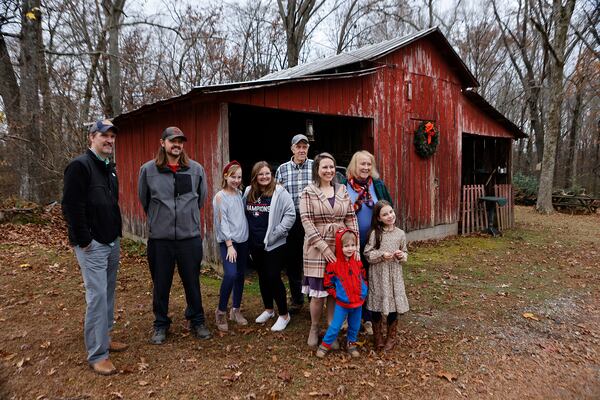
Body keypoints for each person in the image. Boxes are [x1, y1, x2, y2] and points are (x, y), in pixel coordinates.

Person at [62, 119, 126, 375]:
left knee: (107, 292)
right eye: (104, 135)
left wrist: (116, 234)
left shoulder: (108, 168)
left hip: (111, 241)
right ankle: (98, 353)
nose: (109, 140)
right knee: (97, 295)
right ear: (91, 137)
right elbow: (71, 206)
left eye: (112, 136)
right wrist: (85, 240)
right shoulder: (80, 166)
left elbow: (109, 203)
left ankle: (105, 337)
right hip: (93, 245)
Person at [138, 126, 211, 344]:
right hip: (161, 240)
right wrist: (160, 220)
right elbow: (145, 200)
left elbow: (201, 199)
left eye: (180, 141)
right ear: (163, 143)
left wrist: (187, 219)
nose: (177, 145)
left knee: (192, 283)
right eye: (172, 141)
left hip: (189, 238)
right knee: (161, 284)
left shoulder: (195, 169)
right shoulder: (148, 170)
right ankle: (161, 324)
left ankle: (197, 320)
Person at [299, 152, 359, 347]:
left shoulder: (342, 190)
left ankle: (330, 330)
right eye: (324, 167)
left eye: (332, 167)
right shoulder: (309, 191)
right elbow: (306, 221)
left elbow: (351, 217)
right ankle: (314, 327)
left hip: (341, 245)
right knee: (318, 293)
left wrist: (354, 245)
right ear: (317, 170)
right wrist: (324, 247)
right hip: (317, 247)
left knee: (334, 290)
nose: (329, 170)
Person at [342, 150, 392, 335]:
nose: (365, 167)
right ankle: (348, 317)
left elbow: (388, 209)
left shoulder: (377, 185)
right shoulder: (343, 185)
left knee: (371, 279)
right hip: (351, 243)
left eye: (369, 164)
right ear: (354, 165)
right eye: (362, 164)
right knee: (352, 278)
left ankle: (369, 318)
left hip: (374, 242)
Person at [243, 161, 296, 331]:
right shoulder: (248, 192)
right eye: (261, 174)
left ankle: (284, 315)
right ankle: (268, 309)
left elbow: (290, 213)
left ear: (271, 175)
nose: (264, 177)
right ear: (255, 176)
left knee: (273, 276)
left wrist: (277, 232)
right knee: (263, 276)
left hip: (274, 243)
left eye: (267, 173)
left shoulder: (279, 192)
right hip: (255, 243)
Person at [363, 200, 409, 351]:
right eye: (385, 214)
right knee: (376, 306)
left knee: (393, 305)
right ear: (378, 218)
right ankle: (378, 336)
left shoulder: (400, 234)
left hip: (394, 275)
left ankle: (391, 336)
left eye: (391, 212)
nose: (389, 216)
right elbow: (368, 254)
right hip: (378, 275)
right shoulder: (375, 234)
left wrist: (401, 255)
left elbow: (405, 252)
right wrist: (382, 255)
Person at [275, 134, 313, 313]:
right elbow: (277, 196)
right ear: (292, 149)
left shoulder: (315, 166)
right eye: (298, 147)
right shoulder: (282, 169)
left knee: (312, 259)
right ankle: (297, 299)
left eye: (304, 147)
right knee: (293, 261)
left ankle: (314, 297)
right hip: (291, 219)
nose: (301, 150)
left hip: (311, 218)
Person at [316, 229, 367, 358]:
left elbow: (364, 278)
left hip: (358, 303)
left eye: (352, 245)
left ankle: (351, 344)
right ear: (340, 246)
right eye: (346, 246)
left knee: (354, 326)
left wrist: (363, 291)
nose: (350, 249)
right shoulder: (334, 265)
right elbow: (328, 283)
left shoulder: (357, 262)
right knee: (335, 326)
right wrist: (337, 294)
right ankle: (325, 345)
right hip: (342, 304)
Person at [213, 161, 249, 332]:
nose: (236, 180)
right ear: (226, 176)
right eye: (233, 176)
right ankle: (220, 311)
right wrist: (229, 245)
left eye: (239, 177)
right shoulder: (220, 197)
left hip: (243, 241)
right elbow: (222, 222)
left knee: (240, 275)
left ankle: (235, 310)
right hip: (229, 243)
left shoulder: (239, 193)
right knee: (230, 274)